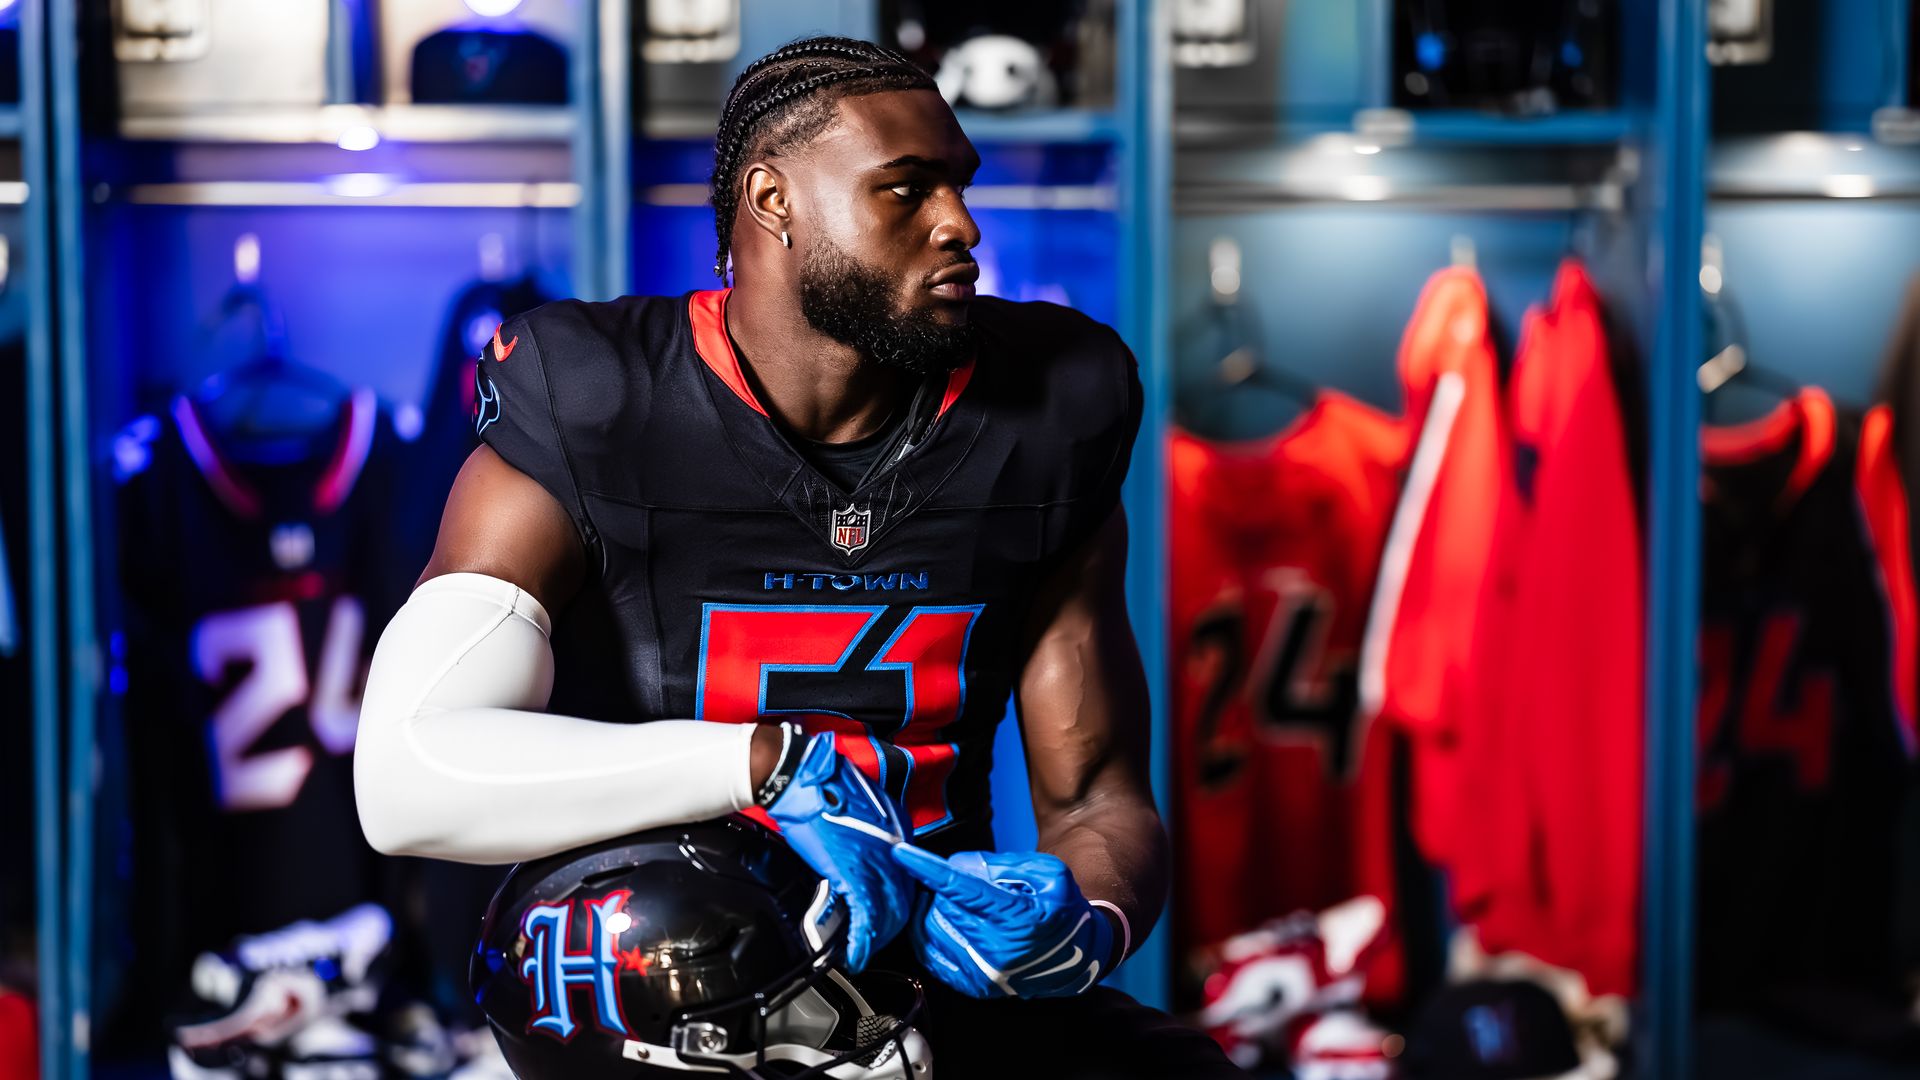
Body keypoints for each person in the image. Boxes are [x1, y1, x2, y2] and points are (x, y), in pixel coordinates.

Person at [353, 35, 1245, 1078]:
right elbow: (406, 774)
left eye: (957, 186)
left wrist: (1085, 921)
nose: (960, 226)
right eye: (904, 190)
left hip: (921, 990)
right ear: (772, 200)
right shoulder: (597, 396)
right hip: (665, 1006)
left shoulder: (1052, 403)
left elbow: (1099, 797)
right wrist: (758, 767)